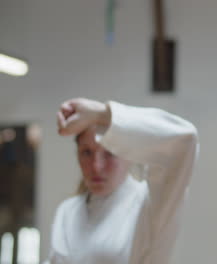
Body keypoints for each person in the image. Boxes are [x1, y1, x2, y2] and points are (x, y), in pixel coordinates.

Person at [47, 98, 198, 264]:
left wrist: (102, 113)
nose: (96, 166)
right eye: (87, 152)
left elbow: (184, 139)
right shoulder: (68, 211)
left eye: (109, 153)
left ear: (131, 154)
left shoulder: (149, 205)